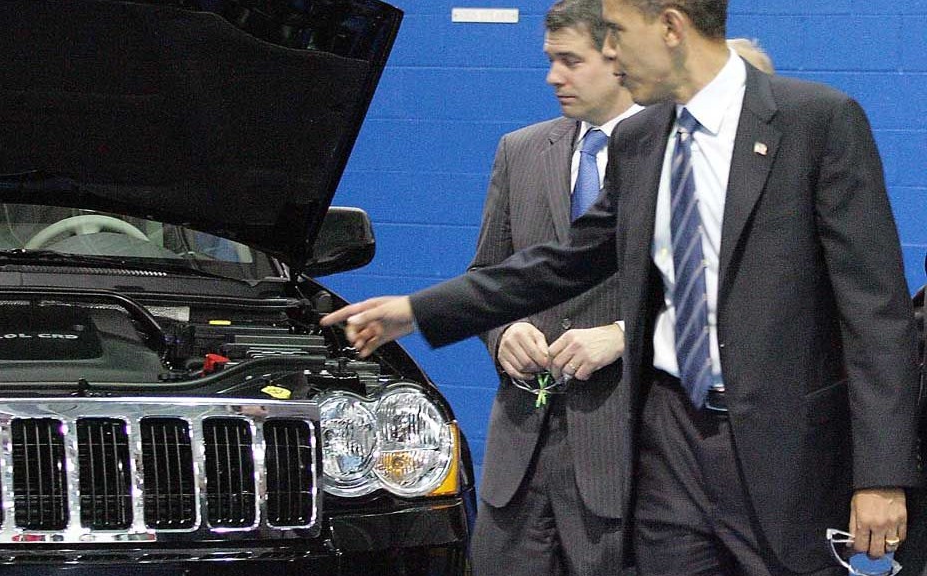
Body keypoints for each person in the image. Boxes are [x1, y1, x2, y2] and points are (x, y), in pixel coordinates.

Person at [322, 0, 921, 574]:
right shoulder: (642, 139)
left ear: (669, 27)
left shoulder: (816, 120)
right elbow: (564, 261)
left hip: (782, 454)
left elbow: (877, 314)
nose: (610, 52)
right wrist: (418, 310)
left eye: (615, 31)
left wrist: (881, 474)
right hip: (668, 442)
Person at [465, 1, 641, 574]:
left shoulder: (681, 157)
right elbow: (484, 278)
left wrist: (621, 335)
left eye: (569, 60)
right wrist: (503, 332)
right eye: (550, 60)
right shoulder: (519, 150)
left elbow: (716, 299)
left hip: (623, 463)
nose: (552, 76)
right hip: (518, 460)